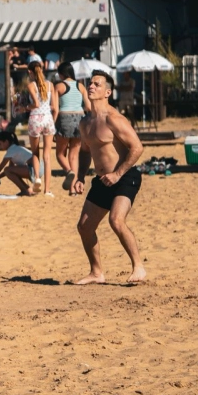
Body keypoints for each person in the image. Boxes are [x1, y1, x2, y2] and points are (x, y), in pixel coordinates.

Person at [75, 71, 146, 285]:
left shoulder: (114, 119)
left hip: (125, 176)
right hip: (103, 180)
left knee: (116, 220)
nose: (91, 86)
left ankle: (138, 267)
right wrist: (79, 177)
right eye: (90, 83)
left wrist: (117, 174)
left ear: (108, 92)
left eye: (97, 84)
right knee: (84, 226)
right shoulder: (85, 122)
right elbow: (86, 151)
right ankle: (97, 273)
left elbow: (137, 147)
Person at [54, 63, 89, 194]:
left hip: (64, 118)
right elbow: (88, 107)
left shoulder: (59, 86)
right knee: (74, 155)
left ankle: (69, 172)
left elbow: (55, 109)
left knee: (59, 154)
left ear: (62, 74)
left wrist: (52, 125)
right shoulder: (81, 86)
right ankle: (73, 189)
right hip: (80, 119)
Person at [26, 59, 58, 196]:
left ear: (30, 72)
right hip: (48, 119)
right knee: (47, 156)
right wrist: (52, 123)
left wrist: (26, 107)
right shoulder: (50, 85)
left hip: (35, 118)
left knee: (35, 153)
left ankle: (37, 178)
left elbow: (36, 104)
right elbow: (55, 108)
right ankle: (47, 190)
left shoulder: (31, 85)